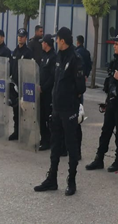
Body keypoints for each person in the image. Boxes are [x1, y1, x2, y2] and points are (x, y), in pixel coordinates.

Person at [34, 27, 86, 196]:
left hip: (68, 109)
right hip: (56, 108)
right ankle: (52, 179)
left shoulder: (75, 59)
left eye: (57, 39)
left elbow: (81, 87)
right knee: (55, 145)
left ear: (63, 41)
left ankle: (71, 181)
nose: (56, 41)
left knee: (71, 146)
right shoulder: (59, 57)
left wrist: (70, 98)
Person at [86, 33, 118, 173]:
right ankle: (99, 158)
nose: (114, 46)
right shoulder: (114, 61)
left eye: (116, 44)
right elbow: (110, 80)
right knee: (106, 131)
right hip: (111, 102)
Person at [10, 28, 34, 141]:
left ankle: (26, 133)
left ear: (26, 38)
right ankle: (16, 131)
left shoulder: (28, 52)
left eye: (22, 36)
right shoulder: (15, 51)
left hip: (24, 85)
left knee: (25, 111)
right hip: (15, 85)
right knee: (16, 110)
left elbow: (30, 69)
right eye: (19, 36)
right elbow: (11, 67)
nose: (20, 38)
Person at [39, 34, 57, 151]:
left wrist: (44, 87)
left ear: (46, 43)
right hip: (40, 91)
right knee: (41, 116)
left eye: (43, 42)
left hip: (48, 93)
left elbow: (52, 77)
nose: (41, 44)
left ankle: (49, 140)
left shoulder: (53, 57)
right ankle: (43, 138)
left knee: (47, 117)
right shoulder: (44, 55)